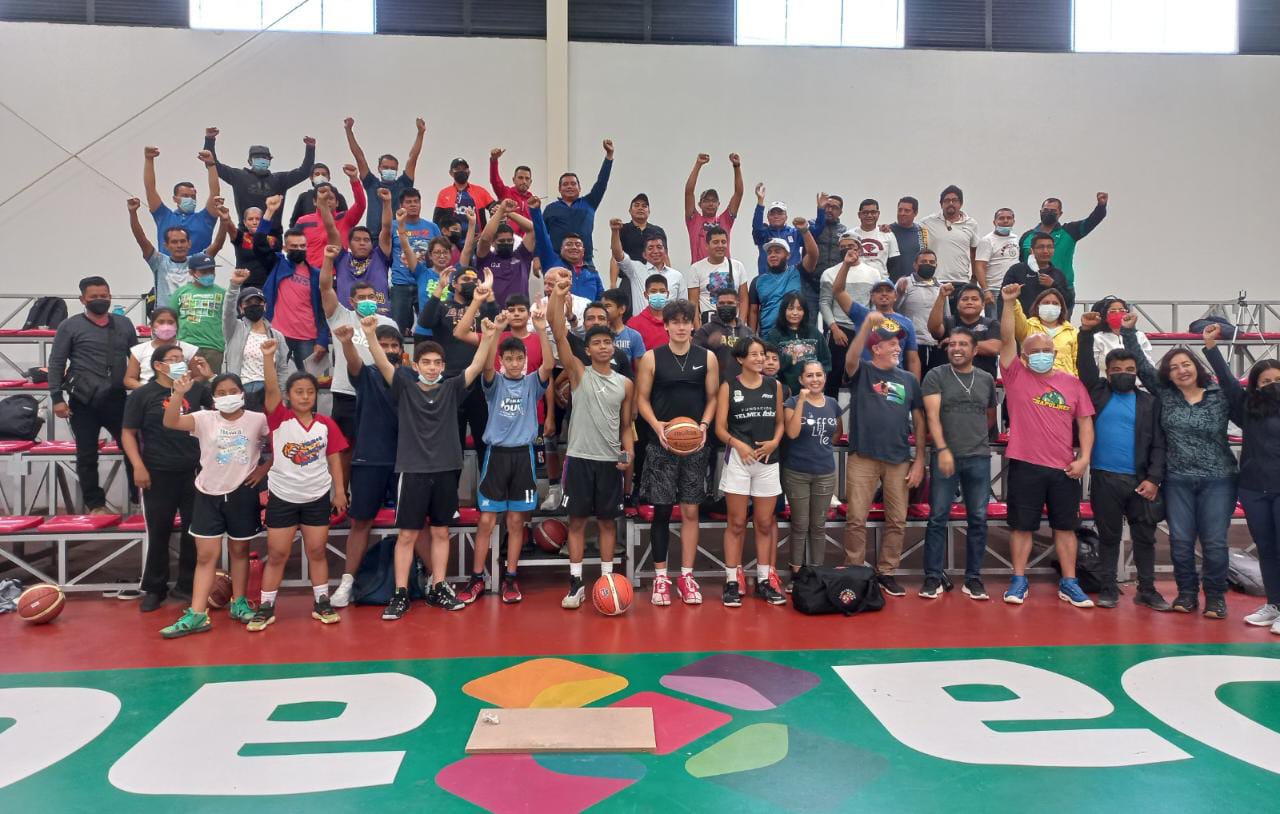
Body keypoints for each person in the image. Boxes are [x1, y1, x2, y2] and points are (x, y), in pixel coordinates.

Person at [1130, 319, 1237, 618]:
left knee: (1214, 542)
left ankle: (1215, 597)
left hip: (1219, 479)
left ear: (1197, 367)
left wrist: (1211, 347)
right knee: (1180, 541)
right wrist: (1128, 332)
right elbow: (1143, 367)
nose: (1181, 370)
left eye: (1186, 364)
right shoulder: (1166, 396)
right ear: (1168, 374)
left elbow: (1229, 379)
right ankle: (1187, 594)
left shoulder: (1220, 396)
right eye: (1174, 367)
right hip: (1178, 480)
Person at [997, 282, 1095, 607]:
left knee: (1065, 528)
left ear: (1055, 354)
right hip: (1025, 465)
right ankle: (1018, 579)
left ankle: (1070, 582)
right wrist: (1008, 303)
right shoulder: (1016, 376)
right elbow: (1007, 339)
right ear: (1024, 357)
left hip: (1064, 469)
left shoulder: (1072, 384)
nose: (1041, 355)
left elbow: (1085, 423)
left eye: (1046, 351)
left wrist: (1084, 459)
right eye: (1034, 351)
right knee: (1021, 527)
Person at [158, 372, 270, 638]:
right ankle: (198, 613)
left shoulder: (257, 420)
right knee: (206, 556)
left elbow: (282, 443)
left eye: (232, 391)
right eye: (221, 393)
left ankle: (239, 603)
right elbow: (171, 421)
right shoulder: (204, 419)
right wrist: (178, 393)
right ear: (213, 398)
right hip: (208, 493)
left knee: (240, 551)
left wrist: (264, 468)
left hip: (242, 493)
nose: (227, 396)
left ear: (242, 393)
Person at [456, 307, 555, 606]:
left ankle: (511, 577)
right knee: (487, 520)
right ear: (502, 361)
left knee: (515, 522)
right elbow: (486, 366)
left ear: (524, 360)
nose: (513, 363)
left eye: (518, 358)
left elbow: (549, 365)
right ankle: (476, 578)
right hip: (496, 456)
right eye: (508, 358)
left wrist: (541, 329)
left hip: (523, 456)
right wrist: (496, 332)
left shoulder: (531, 384)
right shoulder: (494, 382)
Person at [249, 340, 349, 632]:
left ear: (316, 396)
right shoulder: (279, 418)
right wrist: (268, 357)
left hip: (316, 496)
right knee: (277, 554)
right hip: (283, 497)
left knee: (317, 552)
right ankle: (266, 607)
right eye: (299, 392)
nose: (305, 397)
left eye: (310, 392)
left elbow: (334, 458)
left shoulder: (326, 424)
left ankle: (322, 602)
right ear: (288, 396)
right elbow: (270, 390)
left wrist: (339, 491)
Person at [547, 273, 634, 608]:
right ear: (587, 349)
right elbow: (557, 331)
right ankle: (575, 583)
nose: (602, 347)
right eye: (596, 343)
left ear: (613, 347)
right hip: (580, 459)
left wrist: (627, 455)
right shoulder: (578, 372)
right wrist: (557, 296)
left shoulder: (625, 383)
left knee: (608, 523)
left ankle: (607, 579)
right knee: (578, 522)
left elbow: (625, 426)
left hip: (609, 461)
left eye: (606, 343)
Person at [1077, 311, 1169, 610]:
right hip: (1105, 479)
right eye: (1116, 370)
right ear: (1108, 372)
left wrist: (1154, 479)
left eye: (1129, 369)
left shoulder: (1150, 402)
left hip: (1141, 481)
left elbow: (1159, 445)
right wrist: (1085, 333)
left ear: (1137, 371)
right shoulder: (1097, 393)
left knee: (1144, 538)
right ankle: (1108, 588)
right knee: (1108, 537)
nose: (1123, 373)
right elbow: (1085, 367)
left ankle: (1147, 589)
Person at [636, 299, 719, 606]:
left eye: (686, 321)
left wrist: (704, 425)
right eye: (676, 322)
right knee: (661, 510)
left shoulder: (707, 357)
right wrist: (656, 425)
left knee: (690, 511)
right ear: (667, 325)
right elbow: (641, 399)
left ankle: (686, 576)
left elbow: (712, 397)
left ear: (693, 325)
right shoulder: (652, 358)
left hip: (695, 445)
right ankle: (661, 578)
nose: (681, 327)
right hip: (661, 444)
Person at [840, 312, 926, 596]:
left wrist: (920, 460)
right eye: (892, 344)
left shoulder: (909, 380)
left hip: (898, 459)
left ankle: (887, 572)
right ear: (876, 348)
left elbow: (920, 421)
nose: (898, 348)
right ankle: (855, 570)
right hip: (863, 457)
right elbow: (850, 359)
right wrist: (867, 324)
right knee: (856, 518)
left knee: (897, 520)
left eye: (899, 344)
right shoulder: (863, 371)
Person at [122, 346, 210, 613]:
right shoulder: (143, 394)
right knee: (158, 531)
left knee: (194, 531)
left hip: (194, 471)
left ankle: (187, 585)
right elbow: (128, 433)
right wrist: (138, 466)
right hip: (157, 472)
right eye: (173, 360)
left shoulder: (197, 390)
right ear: (158, 366)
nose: (179, 363)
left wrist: (210, 376)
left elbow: (224, 412)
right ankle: (154, 588)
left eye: (181, 359)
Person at [1203, 336, 1280, 632]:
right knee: (1266, 549)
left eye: (1278, 380)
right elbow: (1227, 381)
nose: (1272, 385)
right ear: (1256, 385)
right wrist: (1212, 348)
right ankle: (1274, 604)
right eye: (1266, 381)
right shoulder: (1247, 407)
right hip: (1253, 489)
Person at [329, 321, 406, 609]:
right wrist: (347, 342)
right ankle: (347, 582)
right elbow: (353, 361)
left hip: (405, 462)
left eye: (394, 346)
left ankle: (434, 581)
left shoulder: (409, 377)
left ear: (402, 351)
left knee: (414, 523)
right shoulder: (366, 374)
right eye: (383, 345)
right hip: (369, 459)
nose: (389, 350)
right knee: (360, 522)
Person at [49, 277, 138, 513]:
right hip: (83, 401)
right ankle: (95, 504)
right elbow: (57, 362)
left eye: (104, 296)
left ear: (110, 296)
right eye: (94, 297)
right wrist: (57, 398)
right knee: (87, 454)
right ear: (82, 300)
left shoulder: (124, 324)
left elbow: (136, 359)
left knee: (135, 449)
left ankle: (140, 499)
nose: (100, 300)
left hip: (118, 399)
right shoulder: (69, 326)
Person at [920, 327, 997, 601]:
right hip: (945, 457)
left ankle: (973, 579)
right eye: (952, 344)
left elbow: (990, 415)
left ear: (975, 350)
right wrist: (942, 449)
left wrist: (977, 440)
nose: (956, 348)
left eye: (963, 344)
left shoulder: (986, 379)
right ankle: (933, 577)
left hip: (978, 457)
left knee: (978, 519)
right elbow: (931, 416)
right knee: (937, 517)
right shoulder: (936, 375)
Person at [715, 338, 786, 607]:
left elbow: (780, 423)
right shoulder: (728, 387)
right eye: (754, 354)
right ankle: (732, 581)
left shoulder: (774, 386)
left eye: (762, 354)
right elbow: (720, 428)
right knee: (736, 523)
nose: (760, 359)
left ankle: (764, 580)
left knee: (765, 523)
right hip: (739, 461)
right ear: (740, 359)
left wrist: (774, 442)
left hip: (768, 461)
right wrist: (738, 444)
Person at [320, 242, 397, 478]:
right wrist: (328, 260)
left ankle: (377, 491)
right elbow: (325, 287)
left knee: (378, 444)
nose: (368, 301)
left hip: (378, 393)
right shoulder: (340, 317)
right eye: (362, 298)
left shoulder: (389, 324)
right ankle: (342, 494)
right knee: (345, 447)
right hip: (347, 393)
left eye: (371, 297)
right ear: (352, 302)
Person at [419, 266, 500, 465]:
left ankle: (486, 484)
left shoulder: (482, 308)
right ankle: (450, 485)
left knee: (484, 439)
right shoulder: (443, 306)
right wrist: (439, 288)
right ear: (454, 284)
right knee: (452, 442)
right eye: (465, 279)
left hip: (479, 382)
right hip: (449, 381)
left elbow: (498, 324)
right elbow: (425, 321)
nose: (470, 283)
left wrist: (488, 293)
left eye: (474, 279)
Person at [782, 361, 841, 583]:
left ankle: (816, 573)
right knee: (800, 524)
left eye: (818, 375)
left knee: (818, 525)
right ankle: (796, 573)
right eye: (809, 375)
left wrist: (821, 448)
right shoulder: (791, 402)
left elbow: (837, 433)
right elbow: (792, 433)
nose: (815, 379)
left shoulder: (833, 403)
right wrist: (801, 402)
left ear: (825, 377)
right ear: (801, 379)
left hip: (825, 471)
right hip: (797, 472)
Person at [200, 128, 315, 226]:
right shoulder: (238, 177)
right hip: (246, 234)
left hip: (272, 235)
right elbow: (213, 165)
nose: (262, 160)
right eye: (257, 157)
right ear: (250, 161)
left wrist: (310, 148)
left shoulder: (280, 180)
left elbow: (304, 172)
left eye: (265, 158)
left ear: (269, 161)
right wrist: (210, 140)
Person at [831, 262, 922, 379]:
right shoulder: (862, 315)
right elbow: (838, 291)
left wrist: (915, 387)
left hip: (895, 379)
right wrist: (847, 264)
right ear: (872, 297)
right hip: (865, 377)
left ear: (895, 296)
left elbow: (913, 360)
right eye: (879, 291)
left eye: (888, 290)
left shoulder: (906, 323)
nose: (884, 293)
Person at [751, 187, 827, 318]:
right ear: (768, 217)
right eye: (772, 213)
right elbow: (756, 227)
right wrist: (760, 202)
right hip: (768, 283)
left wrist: (821, 209)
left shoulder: (795, 232)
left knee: (793, 312)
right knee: (769, 314)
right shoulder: (763, 234)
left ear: (786, 216)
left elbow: (817, 231)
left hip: (792, 283)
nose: (776, 216)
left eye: (780, 213)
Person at [222, 270, 292, 411]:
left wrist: (284, 397)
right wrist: (234, 285)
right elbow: (228, 311)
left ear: (264, 306)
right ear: (241, 307)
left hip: (268, 391)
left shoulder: (277, 336)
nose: (253, 305)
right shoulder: (234, 329)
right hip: (240, 390)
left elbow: (282, 369)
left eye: (258, 302)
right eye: (248, 303)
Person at [1019, 193, 1109, 300]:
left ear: (1060, 214)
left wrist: (1101, 207)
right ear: (1040, 212)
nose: (1048, 213)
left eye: (1053, 211)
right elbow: (1021, 263)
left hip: (1062, 288)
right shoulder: (1027, 236)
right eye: (1046, 210)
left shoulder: (1070, 231)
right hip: (1032, 289)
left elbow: (1091, 221)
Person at [262, 229, 329, 372]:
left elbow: (326, 310)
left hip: (309, 337)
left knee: (311, 381)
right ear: (285, 247)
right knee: (272, 378)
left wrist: (323, 340)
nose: (299, 249)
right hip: (278, 335)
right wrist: (269, 216)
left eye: (302, 246)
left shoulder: (317, 274)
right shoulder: (278, 264)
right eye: (294, 246)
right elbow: (259, 244)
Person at [346, 116, 425, 231]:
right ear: (379, 168)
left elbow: (413, 157)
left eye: (393, 168)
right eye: (386, 167)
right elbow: (359, 158)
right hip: (374, 235)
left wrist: (420, 133)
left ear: (397, 170)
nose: (389, 170)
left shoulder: (404, 184)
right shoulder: (371, 183)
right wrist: (349, 131)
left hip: (397, 234)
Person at [543, 139, 614, 261]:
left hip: (585, 261)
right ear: (559, 189)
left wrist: (609, 155)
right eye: (565, 184)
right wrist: (538, 257)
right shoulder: (550, 209)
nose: (569, 187)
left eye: (573, 184)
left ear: (579, 188)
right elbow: (541, 235)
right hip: (557, 260)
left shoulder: (589, 203)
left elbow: (602, 182)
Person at [143, 145, 219, 255]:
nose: (190, 199)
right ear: (175, 199)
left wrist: (211, 165)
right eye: (185, 196)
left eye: (193, 197)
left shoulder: (205, 218)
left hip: (199, 266)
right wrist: (149, 159)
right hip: (167, 266)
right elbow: (150, 189)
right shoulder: (164, 216)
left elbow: (215, 193)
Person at [387, 187, 442, 333]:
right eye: (408, 202)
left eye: (416, 201)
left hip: (425, 283)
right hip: (400, 283)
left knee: (431, 326)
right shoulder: (393, 226)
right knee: (397, 329)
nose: (413, 205)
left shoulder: (432, 227)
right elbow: (386, 252)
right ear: (401, 205)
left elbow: (441, 252)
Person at [531, 196, 604, 301]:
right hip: (558, 311)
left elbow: (601, 299)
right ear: (561, 249)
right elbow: (542, 236)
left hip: (586, 312)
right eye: (569, 244)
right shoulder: (552, 262)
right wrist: (535, 211)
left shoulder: (592, 272)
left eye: (578, 245)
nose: (574, 247)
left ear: (583, 251)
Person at [128, 196, 196, 310]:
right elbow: (141, 238)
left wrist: (224, 221)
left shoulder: (196, 262)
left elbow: (217, 245)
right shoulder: (158, 261)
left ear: (189, 243)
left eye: (182, 241)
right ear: (166, 245)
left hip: (189, 318)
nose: (179, 245)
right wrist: (132, 213)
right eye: (174, 242)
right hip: (164, 317)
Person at [294, 166, 366, 267]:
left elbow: (361, 204)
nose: (326, 201)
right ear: (314, 202)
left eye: (330, 198)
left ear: (337, 203)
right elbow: (293, 245)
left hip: (337, 272)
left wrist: (354, 179)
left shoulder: (345, 218)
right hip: (309, 272)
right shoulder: (303, 221)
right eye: (323, 198)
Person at [927, 282, 1002, 379]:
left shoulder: (992, 324)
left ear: (983, 304)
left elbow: (994, 348)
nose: (969, 302)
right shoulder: (948, 322)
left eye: (974, 299)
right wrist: (941, 297)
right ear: (957, 304)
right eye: (965, 299)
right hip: (947, 381)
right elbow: (934, 329)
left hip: (982, 382)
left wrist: (957, 343)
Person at [748, 235, 819, 333]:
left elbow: (813, 255)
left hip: (796, 336)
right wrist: (752, 336)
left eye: (777, 251)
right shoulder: (757, 281)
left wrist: (804, 231)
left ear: (788, 255)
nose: (772, 255)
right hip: (768, 336)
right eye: (769, 252)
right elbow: (753, 312)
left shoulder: (798, 272)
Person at [611, 224, 685, 316]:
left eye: (659, 247)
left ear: (665, 252)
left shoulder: (677, 276)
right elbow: (618, 255)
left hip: (668, 324)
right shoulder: (635, 270)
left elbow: (683, 307)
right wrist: (615, 232)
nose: (655, 251)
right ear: (644, 254)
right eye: (650, 248)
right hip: (641, 324)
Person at [476, 198, 538, 308]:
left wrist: (509, 213)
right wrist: (500, 212)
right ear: (493, 242)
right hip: (491, 314)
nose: (506, 243)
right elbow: (485, 239)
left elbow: (532, 230)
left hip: (518, 313)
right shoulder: (486, 258)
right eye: (502, 241)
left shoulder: (522, 256)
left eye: (509, 241)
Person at [765, 292, 830, 396]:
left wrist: (818, 380)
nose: (795, 313)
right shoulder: (774, 335)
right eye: (790, 309)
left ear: (805, 312)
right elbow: (770, 366)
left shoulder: (814, 332)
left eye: (799, 309)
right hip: (786, 392)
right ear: (783, 310)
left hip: (813, 391)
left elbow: (825, 361)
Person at [171, 252, 227, 373]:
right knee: (184, 380)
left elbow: (229, 319)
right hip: (185, 346)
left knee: (211, 382)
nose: (209, 274)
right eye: (204, 271)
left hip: (213, 346)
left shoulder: (223, 293)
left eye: (211, 271)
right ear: (191, 272)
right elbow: (171, 319)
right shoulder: (180, 292)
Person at [684, 152, 744, 263]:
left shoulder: (725, 220)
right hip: (700, 270)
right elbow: (689, 193)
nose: (710, 204)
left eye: (714, 201)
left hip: (723, 269)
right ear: (699, 204)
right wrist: (698, 165)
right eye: (706, 201)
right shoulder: (694, 220)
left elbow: (738, 193)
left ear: (718, 204)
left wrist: (737, 166)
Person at [895, 250, 946, 371]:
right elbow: (892, 311)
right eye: (924, 262)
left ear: (936, 265)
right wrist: (899, 294)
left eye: (931, 262)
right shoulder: (904, 283)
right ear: (915, 265)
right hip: (911, 344)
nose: (928, 264)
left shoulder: (942, 287)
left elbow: (945, 317)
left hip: (934, 345)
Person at [124, 308, 200, 389]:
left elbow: (198, 376)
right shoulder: (138, 350)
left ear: (177, 326)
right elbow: (129, 379)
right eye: (161, 322)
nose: (166, 326)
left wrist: (183, 388)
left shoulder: (190, 350)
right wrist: (147, 390)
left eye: (170, 322)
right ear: (152, 326)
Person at [687, 226, 750, 321]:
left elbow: (744, 300)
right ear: (707, 245)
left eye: (723, 242)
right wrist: (698, 328)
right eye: (716, 242)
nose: (720, 245)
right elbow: (693, 303)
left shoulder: (738, 266)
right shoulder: (696, 268)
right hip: (708, 324)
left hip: (732, 323)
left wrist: (740, 324)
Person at [919, 185, 979, 285]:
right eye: (947, 201)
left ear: (961, 203)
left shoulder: (971, 224)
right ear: (941, 204)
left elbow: (974, 253)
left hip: (961, 281)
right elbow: (909, 229)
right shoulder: (927, 222)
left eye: (954, 200)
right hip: (936, 281)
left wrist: (974, 277)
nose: (950, 203)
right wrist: (890, 228)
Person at [1001, 232, 1071, 316]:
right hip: (1022, 321)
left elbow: (1068, 302)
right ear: (1031, 250)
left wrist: (1053, 285)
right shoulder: (1017, 270)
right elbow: (1003, 298)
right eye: (1041, 247)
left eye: (1049, 247)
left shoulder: (1058, 274)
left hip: (1050, 321)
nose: (1045, 251)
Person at [1012, 287, 1078, 376]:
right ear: (1038, 306)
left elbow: (1078, 362)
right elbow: (1017, 316)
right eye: (1046, 303)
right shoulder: (1027, 326)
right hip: (1032, 379)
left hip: (1065, 381)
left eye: (1055, 303)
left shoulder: (1072, 331)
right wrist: (1013, 300)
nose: (1050, 306)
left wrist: (1076, 382)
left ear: (1061, 308)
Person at [694, 288, 754, 381]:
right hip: (716, 384)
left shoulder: (748, 333)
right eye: (721, 303)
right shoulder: (705, 331)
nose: (726, 306)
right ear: (716, 306)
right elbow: (695, 360)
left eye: (730, 303)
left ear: (737, 305)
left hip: (743, 385)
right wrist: (709, 344)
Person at [226, 194, 284, 289]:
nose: (254, 222)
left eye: (258, 219)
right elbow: (230, 227)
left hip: (268, 285)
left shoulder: (273, 239)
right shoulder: (241, 237)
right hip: (246, 284)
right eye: (250, 219)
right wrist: (226, 217)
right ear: (245, 223)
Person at [433, 157, 494, 239]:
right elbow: (436, 221)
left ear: (469, 172)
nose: (461, 171)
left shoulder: (480, 191)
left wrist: (486, 233)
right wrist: (441, 239)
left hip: (476, 240)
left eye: (464, 169)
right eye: (457, 169)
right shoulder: (444, 193)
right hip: (452, 240)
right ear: (451, 173)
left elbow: (494, 208)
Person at [1088, 295, 1154, 368]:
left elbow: (1148, 364)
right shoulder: (1097, 338)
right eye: (1113, 311)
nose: (1118, 313)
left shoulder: (1139, 336)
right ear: (1105, 316)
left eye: (1122, 311)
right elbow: (1091, 366)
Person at [975, 208, 1018, 304]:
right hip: (993, 290)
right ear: (994, 222)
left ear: (1013, 221)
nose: (1005, 221)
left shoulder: (1016, 239)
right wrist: (986, 290)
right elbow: (979, 267)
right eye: (1001, 218)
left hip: (1012, 289)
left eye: (1009, 218)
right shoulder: (987, 240)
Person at [850, 198, 899, 280]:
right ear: (859, 215)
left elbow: (894, 263)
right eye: (865, 212)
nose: (869, 215)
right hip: (856, 281)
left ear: (878, 214)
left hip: (880, 282)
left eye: (873, 212)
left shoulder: (888, 234)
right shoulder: (851, 235)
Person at [488, 147, 533, 229]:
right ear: (513, 180)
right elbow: (495, 180)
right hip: (508, 236)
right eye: (520, 178)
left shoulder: (533, 202)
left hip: (527, 237)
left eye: (527, 178)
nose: (524, 181)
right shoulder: (505, 192)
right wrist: (494, 161)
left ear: (531, 182)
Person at [627, 274, 673, 351]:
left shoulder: (676, 321)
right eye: (653, 291)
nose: (658, 294)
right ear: (646, 295)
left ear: (667, 294)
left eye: (662, 291)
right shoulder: (634, 324)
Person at [599, 289, 647, 362]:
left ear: (622, 309)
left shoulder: (634, 336)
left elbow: (640, 367)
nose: (603, 310)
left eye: (607, 306)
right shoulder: (597, 333)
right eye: (601, 307)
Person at [618, 193, 667, 262]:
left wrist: (668, 269)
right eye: (636, 205)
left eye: (644, 206)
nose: (640, 208)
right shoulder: (622, 229)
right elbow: (615, 257)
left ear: (649, 211)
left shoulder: (658, 231)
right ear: (630, 211)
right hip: (628, 268)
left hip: (652, 269)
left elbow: (665, 256)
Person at [886, 196, 924, 282]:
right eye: (900, 210)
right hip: (893, 284)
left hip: (915, 284)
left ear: (915, 213)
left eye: (907, 211)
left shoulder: (921, 232)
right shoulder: (887, 231)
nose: (902, 213)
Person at [812, 194, 851, 272]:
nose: (829, 210)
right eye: (827, 206)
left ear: (840, 212)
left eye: (834, 208)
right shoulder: (812, 225)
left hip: (835, 274)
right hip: (812, 275)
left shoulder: (844, 230)